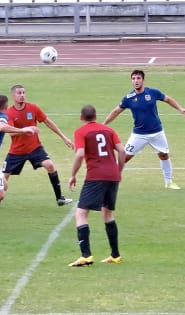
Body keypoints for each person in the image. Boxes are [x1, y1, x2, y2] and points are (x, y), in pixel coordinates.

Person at [103, 69, 185, 190]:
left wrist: (180, 109)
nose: (136, 81)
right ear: (131, 81)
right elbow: (116, 111)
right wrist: (104, 124)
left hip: (157, 132)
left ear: (143, 80)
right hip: (138, 135)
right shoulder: (128, 98)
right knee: (125, 157)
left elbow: (168, 99)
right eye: (133, 79)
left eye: (138, 78)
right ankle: (112, 180)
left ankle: (169, 182)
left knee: (164, 155)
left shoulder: (153, 92)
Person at [67, 104, 125, 267]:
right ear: (96, 116)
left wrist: (73, 174)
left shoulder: (81, 131)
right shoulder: (108, 130)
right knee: (108, 214)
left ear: (81, 117)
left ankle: (86, 255)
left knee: (81, 214)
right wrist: (118, 170)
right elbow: (122, 151)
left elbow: (79, 154)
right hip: (113, 176)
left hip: (95, 176)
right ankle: (115, 255)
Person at [2, 84, 73, 206]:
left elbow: (47, 122)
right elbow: (12, 133)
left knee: (50, 165)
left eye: (23, 93)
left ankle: (60, 198)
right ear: (13, 96)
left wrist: (64, 137)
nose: (22, 95)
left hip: (34, 148)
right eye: (19, 93)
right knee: (4, 177)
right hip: (17, 151)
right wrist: (28, 129)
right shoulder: (9, 113)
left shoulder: (33, 108)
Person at [0, 94, 39, 228]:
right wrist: (23, 130)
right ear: (6, 105)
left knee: (4, 184)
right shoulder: (2, 116)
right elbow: (1, 127)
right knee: (0, 193)